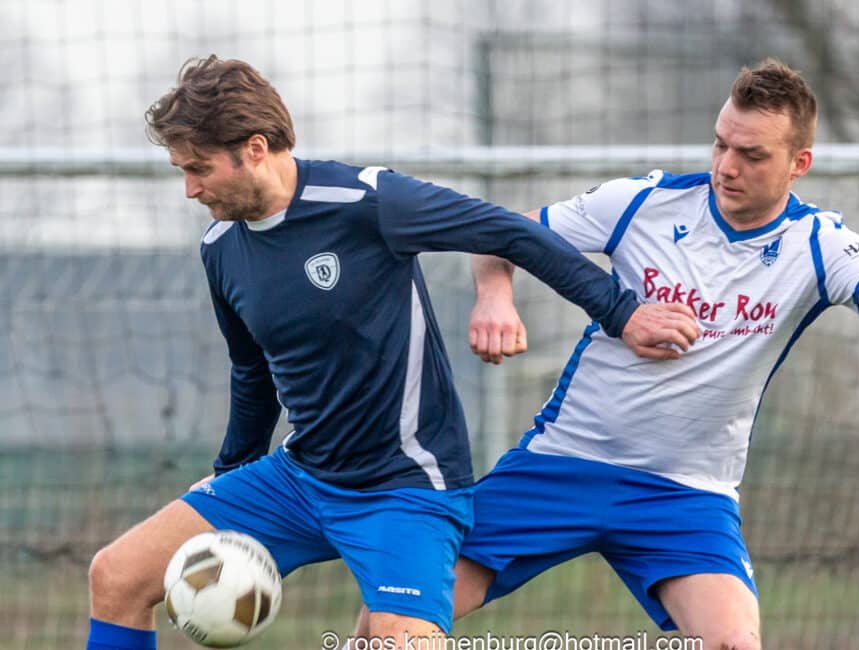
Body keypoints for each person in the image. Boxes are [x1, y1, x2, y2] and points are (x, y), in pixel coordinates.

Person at [347, 59, 859, 649]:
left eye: (751, 154)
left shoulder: (819, 243)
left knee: (736, 644)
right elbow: (497, 235)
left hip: (684, 495)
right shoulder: (643, 204)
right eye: (720, 145)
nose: (726, 166)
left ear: (800, 163)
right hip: (562, 467)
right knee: (393, 620)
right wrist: (495, 297)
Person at [84, 55, 700, 650]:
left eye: (198, 169)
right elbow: (252, 373)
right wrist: (232, 471)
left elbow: (507, 231)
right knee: (115, 577)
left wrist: (622, 312)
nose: (189, 189)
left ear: (254, 149)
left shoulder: (368, 201)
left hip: (407, 489)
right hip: (300, 478)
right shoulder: (220, 247)